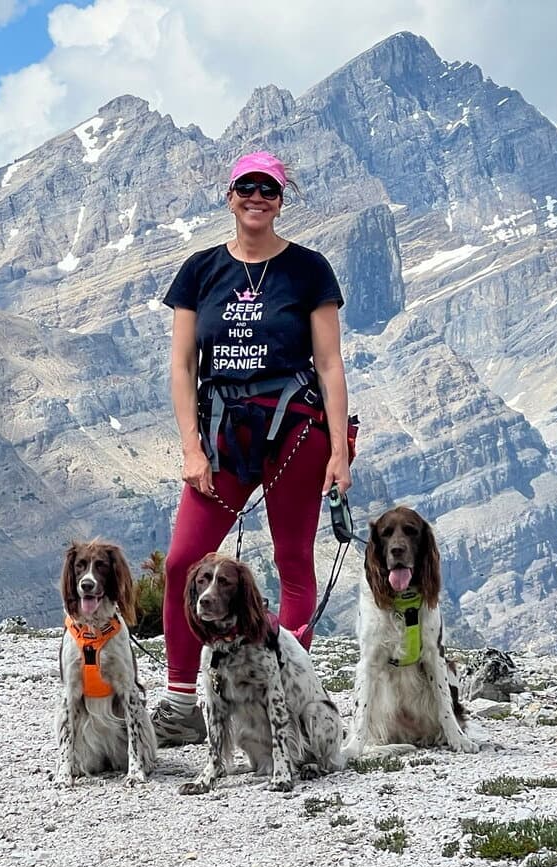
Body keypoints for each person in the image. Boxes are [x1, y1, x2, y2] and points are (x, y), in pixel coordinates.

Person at [151, 151, 353, 746]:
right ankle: (184, 700)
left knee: (294, 565)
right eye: (247, 187)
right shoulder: (199, 271)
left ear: (282, 197)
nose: (257, 197)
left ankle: (284, 690)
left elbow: (330, 362)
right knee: (184, 560)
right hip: (221, 438)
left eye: (269, 188)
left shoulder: (309, 270)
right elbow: (183, 365)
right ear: (230, 195)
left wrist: (339, 450)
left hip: (296, 432)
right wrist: (191, 449)